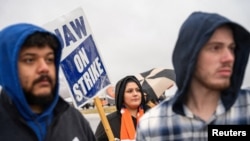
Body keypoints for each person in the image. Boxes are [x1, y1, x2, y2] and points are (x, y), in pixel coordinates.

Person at [136, 11, 250, 140]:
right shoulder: (152, 127)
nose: (229, 58)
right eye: (216, 48)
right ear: (189, 55)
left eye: (232, 48)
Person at [0, 23, 96, 141]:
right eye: (30, 60)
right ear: (7, 68)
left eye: (49, 59)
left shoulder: (73, 118)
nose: (44, 68)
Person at [95, 75, 146, 141]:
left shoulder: (151, 116)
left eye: (138, 90)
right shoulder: (109, 121)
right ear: (121, 95)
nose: (135, 94)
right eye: (130, 91)